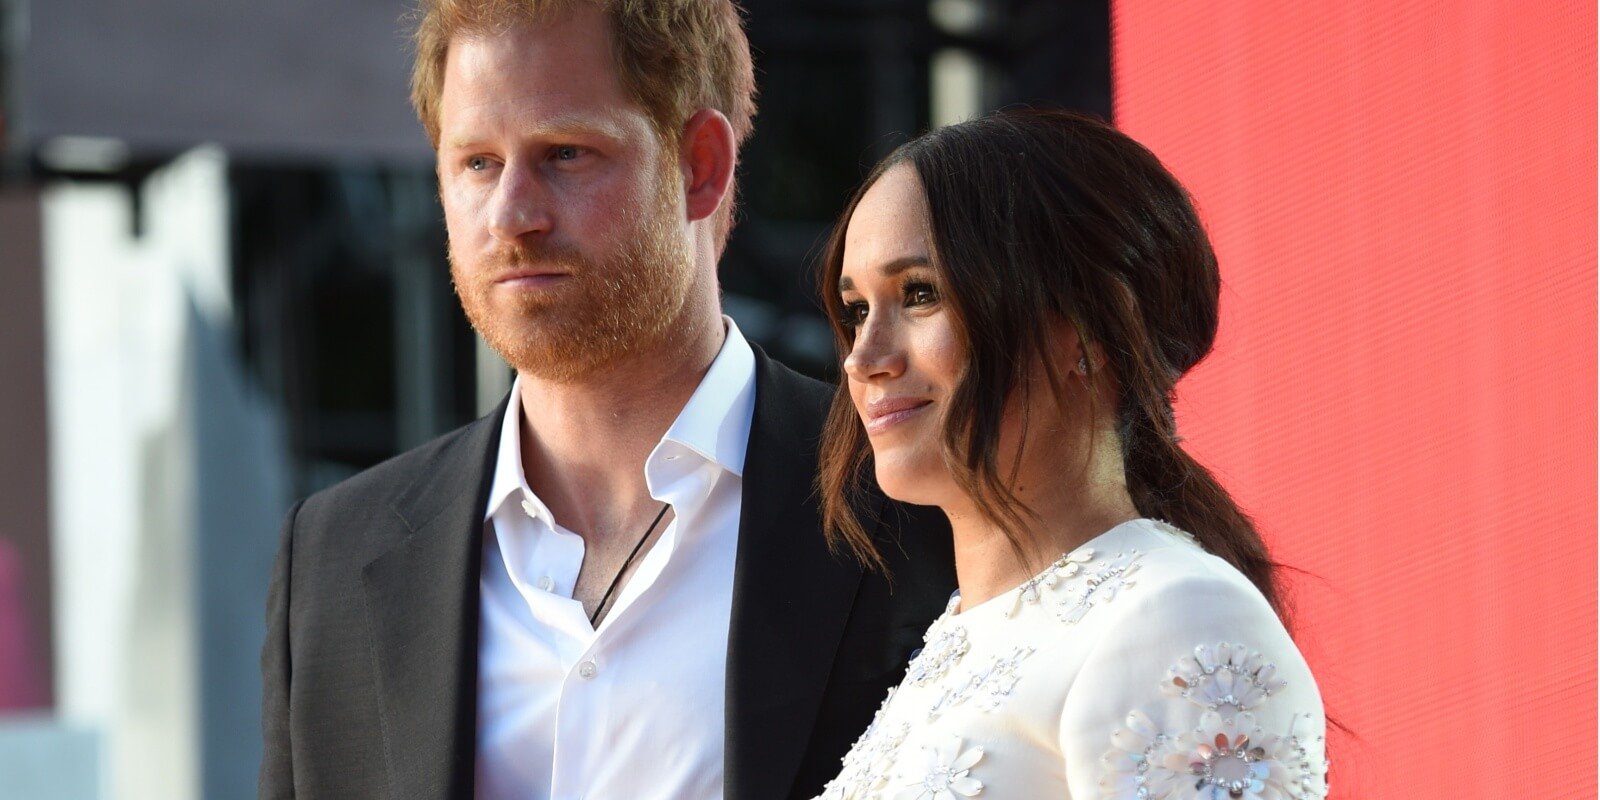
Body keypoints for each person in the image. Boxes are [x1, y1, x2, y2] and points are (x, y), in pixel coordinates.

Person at [257, 2, 953, 798]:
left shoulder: (920, 508)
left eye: (565, 154)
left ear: (700, 166)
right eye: (477, 163)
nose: (512, 215)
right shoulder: (333, 562)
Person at [811, 109, 1329, 799]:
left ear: (1085, 328)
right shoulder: (959, 634)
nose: (863, 359)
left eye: (920, 295)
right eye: (856, 311)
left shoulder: (1176, 615)